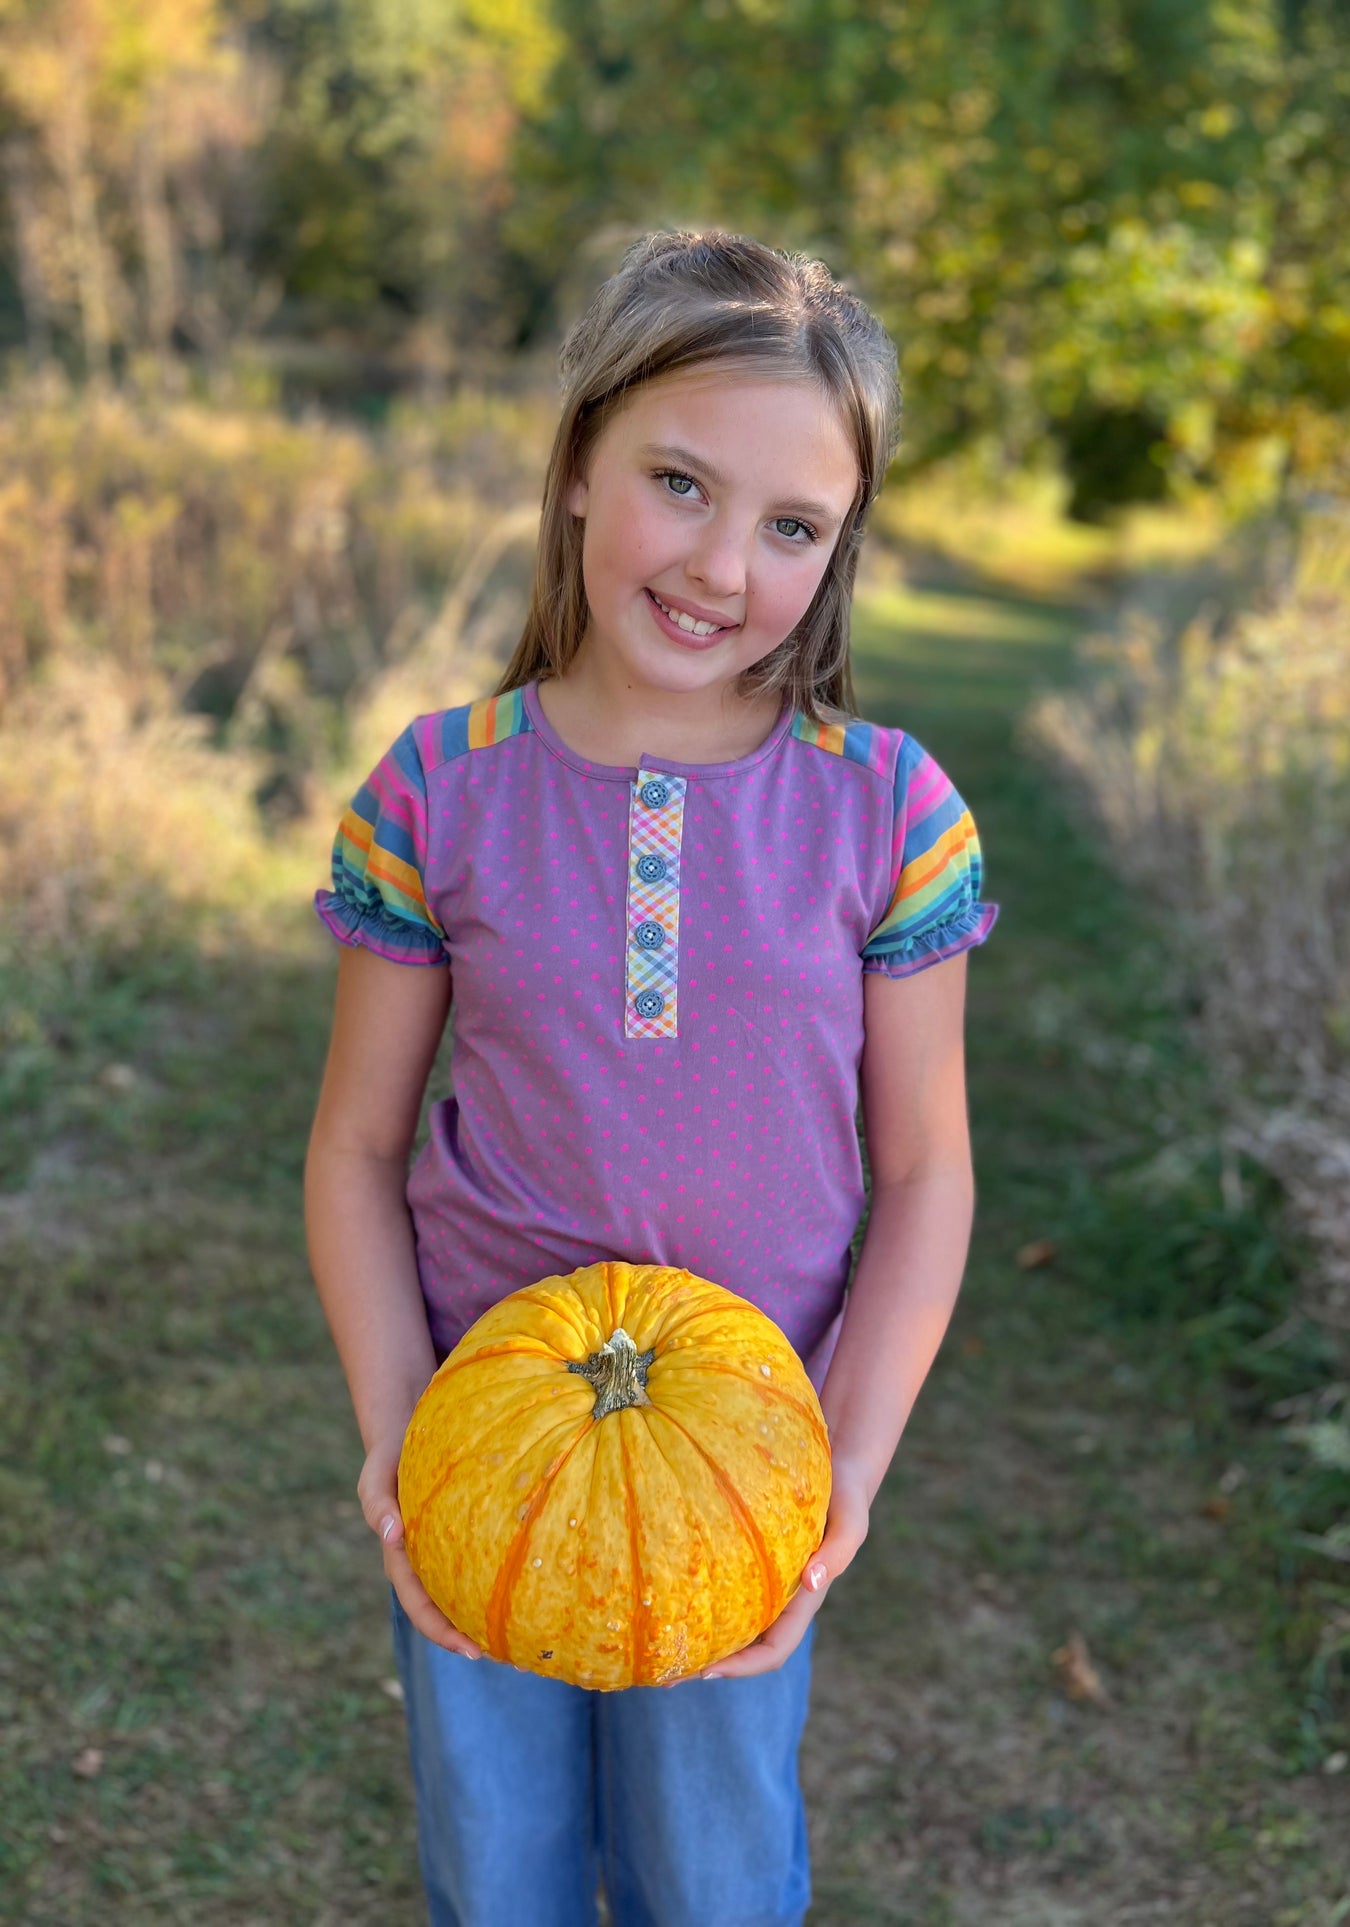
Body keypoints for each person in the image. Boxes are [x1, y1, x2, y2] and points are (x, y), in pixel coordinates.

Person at [303, 228, 997, 1927]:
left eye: (789, 526)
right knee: (499, 1864)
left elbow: (922, 1173)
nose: (719, 565)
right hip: (484, 1439)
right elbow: (354, 1147)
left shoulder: (888, 810)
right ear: (577, 471)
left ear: (836, 551)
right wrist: (402, 1437)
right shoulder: (438, 788)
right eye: (676, 483)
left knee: (712, 1874)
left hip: (748, 1469)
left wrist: (842, 1478)